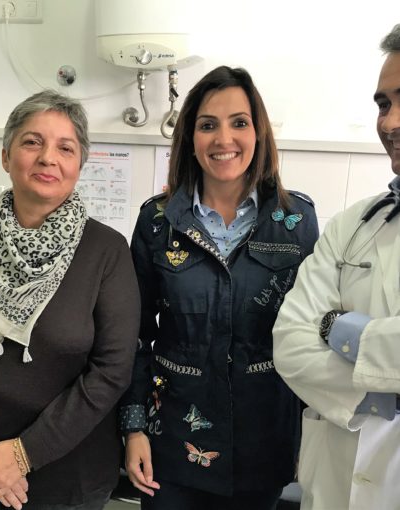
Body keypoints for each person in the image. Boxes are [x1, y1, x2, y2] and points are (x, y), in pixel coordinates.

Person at [0, 89, 140, 510]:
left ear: (79, 165)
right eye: (32, 142)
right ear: (5, 156)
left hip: (67, 483)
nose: (48, 158)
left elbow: (112, 370)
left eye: (65, 148)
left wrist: (21, 455)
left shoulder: (107, 251)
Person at [119, 65, 319, 510]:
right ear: (190, 138)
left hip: (263, 443)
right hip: (172, 441)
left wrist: (310, 435)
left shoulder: (297, 221)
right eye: (208, 125)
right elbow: (134, 334)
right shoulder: (157, 221)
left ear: (258, 133)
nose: (223, 138)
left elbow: (310, 334)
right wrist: (133, 428)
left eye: (239, 123)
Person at [273, 24, 400, 510]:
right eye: (383, 104)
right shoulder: (354, 224)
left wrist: (343, 331)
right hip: (335, 484)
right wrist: (385, 396)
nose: (390, 122)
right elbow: (290, 342)